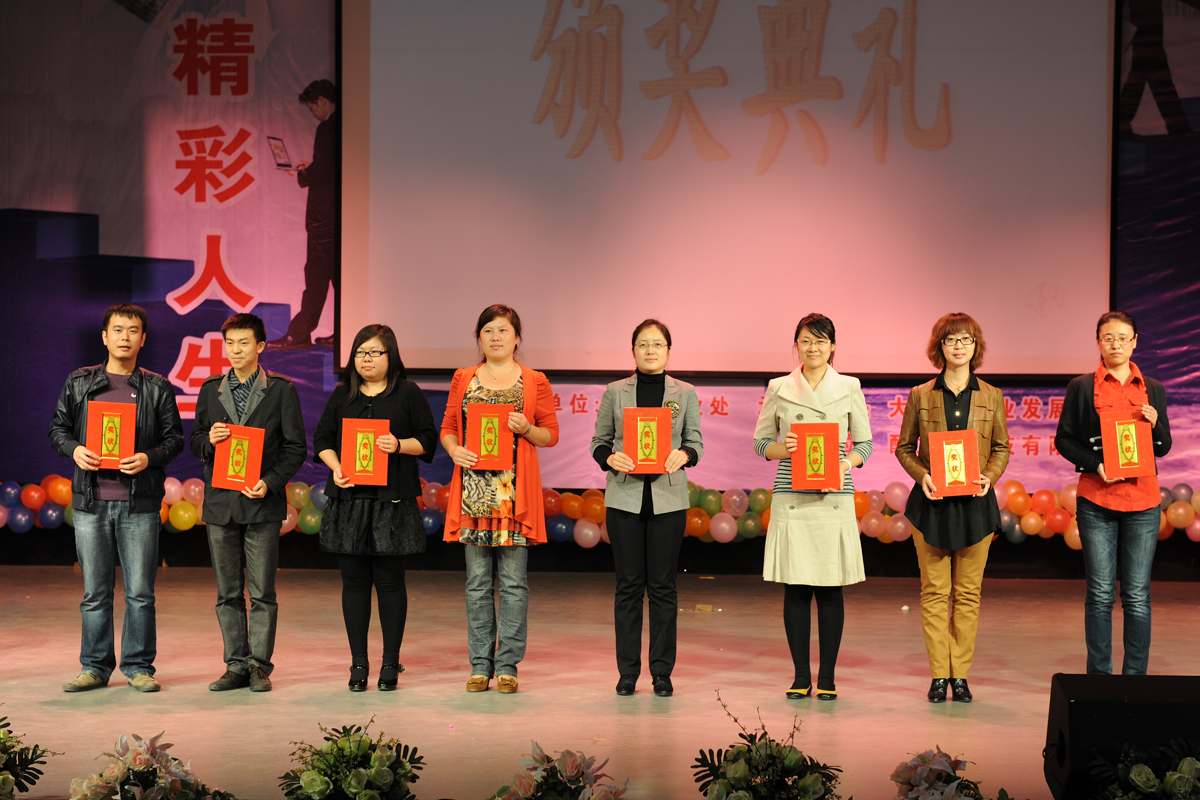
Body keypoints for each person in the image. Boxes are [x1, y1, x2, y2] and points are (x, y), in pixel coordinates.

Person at [49, 303, 184, 693]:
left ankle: (139, 667)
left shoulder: (157, 387)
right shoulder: (79, 382)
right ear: (105, 337)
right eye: (119, 330)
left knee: (140, 593)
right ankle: (94, 667)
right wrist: (74, 449)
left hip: (139, 505)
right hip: (90, 503)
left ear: (144, 339)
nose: (126, 337)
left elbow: (174, 440)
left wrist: (148, 458)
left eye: (133, 331)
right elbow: (57, 429)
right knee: (95, 593)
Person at [752, 313, 872, 702]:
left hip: (833, 496)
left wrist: (843, 464)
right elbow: (760, 443)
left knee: (831, 588)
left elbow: (865, 445)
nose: (813, 347)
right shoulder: (779, 387)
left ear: (833, 346)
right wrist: (782, 449)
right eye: (805, 341)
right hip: (792, 495)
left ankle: (829, 677)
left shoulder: (849, 386)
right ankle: (801, 675)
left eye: (821, 341)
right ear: (796, 345)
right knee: (797, 586)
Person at [440, 305, 559, 694]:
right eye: (488, 330)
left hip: (514, 493)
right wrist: (454, 449)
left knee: (512, 583)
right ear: (479, 337)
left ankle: (507, 665)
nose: (496, 337)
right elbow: (448, 427)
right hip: (474, 492)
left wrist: (527, 429)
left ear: (517, 337)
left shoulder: (534, 380)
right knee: (476, 583)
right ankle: (480, 664)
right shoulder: (463, 377)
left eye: (503, 330)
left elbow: (550, 434)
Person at [313, 324, 438, 691]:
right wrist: (336, 467)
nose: (365, 359)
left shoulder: (408, 394)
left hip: (391, 502)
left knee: (390, 584)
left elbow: (428, 441)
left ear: (390, 355)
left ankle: (390, 663)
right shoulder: (343, 395)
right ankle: (358, 663)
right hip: (349, 501)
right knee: (353, 585)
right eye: (360, 353)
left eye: (373, 352)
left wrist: (398, 444)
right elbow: (322, 439)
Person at [896, 312, 1009, 704]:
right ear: (939, 346)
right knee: (933, 594)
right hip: (932, 506)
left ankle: (959, 675)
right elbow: (904, 447)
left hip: (976, 506)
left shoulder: (991, 395)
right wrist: (922, 475)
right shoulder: (921, 394)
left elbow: (1001, 447)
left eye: (966, 340)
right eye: (951, 340)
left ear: (975, 346)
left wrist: (989, 476)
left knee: (967, 595)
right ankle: (938, 676)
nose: (959, 346)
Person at [192, 313, 307, 692]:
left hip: (261, 503)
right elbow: (195, 441)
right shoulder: (211, 389)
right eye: (230, 343)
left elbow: (295, 447)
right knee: (227, 593)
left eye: (244, 343)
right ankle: (235, 664)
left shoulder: (280, 390)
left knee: (262, 593)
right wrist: (209, 439)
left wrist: (269, 482)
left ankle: (259, 665)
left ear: (260, 346)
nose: (236, 350)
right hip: (221, 504)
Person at [590, 319, 704, 698]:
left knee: (663, 588)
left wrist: (684, 454)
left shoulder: (685, 392)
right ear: (633, 350)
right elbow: (599, 442)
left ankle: (661, 672)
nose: (650, 350)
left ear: (668, 351)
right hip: (624, 498)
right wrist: (610, 458)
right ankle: (627, 673)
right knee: (627, 587)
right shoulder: (615, 391)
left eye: (657, 344)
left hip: (668, 500)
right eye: (643, 344)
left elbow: (696, 443)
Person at [1054, 311, 1171, 675]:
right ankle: (1099, 680)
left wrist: (1156, 424)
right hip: (1097, 500)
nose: (1115, 344)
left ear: (1135, 342)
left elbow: (1164, 446)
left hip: (1144, 502)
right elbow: (1064, 440)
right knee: (1100, 595)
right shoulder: (1081, 387)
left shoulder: (1154, 388)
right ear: (1098, 342)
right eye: (1108, 338)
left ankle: (1135, 680)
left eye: (1123, 338)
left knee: (1137, 596)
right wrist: (1096, 465)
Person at [267, 79, 340, 351]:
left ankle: (298, 334)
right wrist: (313, 167)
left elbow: (324, 171)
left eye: (312, 109)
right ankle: (346, 331)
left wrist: (304, 174)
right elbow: (333, 166)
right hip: (343, 215)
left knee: (317, 275)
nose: (314, 114)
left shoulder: (328, 127)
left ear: (322, 101)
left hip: (325, 217)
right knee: (338, 276)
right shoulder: (350, 125)